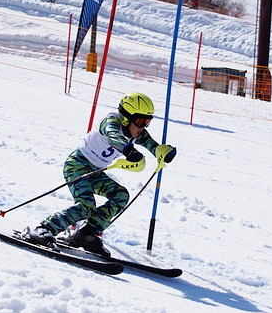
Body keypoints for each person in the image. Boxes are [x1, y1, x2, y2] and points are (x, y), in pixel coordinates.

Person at [21, 92, 177, 256]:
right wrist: (128, 150)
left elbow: (152, 145)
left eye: (147, 121)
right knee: (86, 206)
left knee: (120, 195)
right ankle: (44, 229)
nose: (142, 127)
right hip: (77, 165)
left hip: (95, 172)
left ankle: (86, 234)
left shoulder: (137, 132)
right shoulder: (111, 121)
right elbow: (113, 136)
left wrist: (162, 152)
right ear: (126, 117)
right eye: (140, 121)